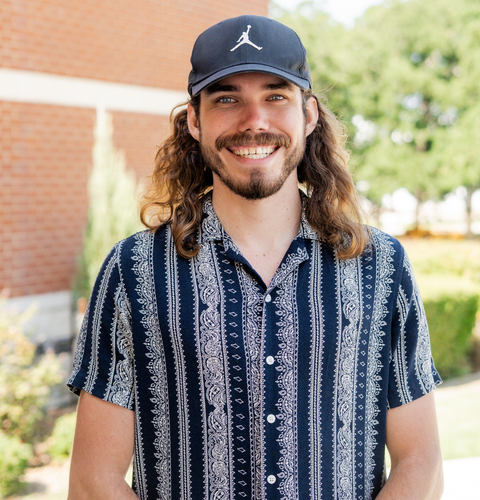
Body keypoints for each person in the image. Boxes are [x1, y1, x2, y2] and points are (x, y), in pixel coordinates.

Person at [67, 14, 444, 500]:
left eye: (275, 96)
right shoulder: (134, 271)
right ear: (195, 120)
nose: (255, 121)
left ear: (309, 115)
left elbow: (421, 463)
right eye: (227, 99)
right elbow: (93, 480)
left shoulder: (381, 266)